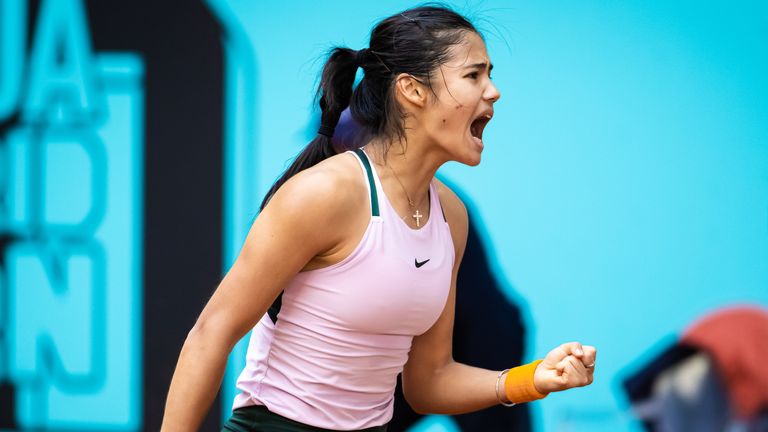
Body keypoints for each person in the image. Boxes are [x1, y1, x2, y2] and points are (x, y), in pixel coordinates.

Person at [161, 5, 597, 431]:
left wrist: (534, 378)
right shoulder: (324, 193)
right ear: (412, 90)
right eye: (473, 75)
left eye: (490, 74)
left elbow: (429, 382)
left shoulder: (451, 217)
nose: (493, 90)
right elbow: (210, 334)